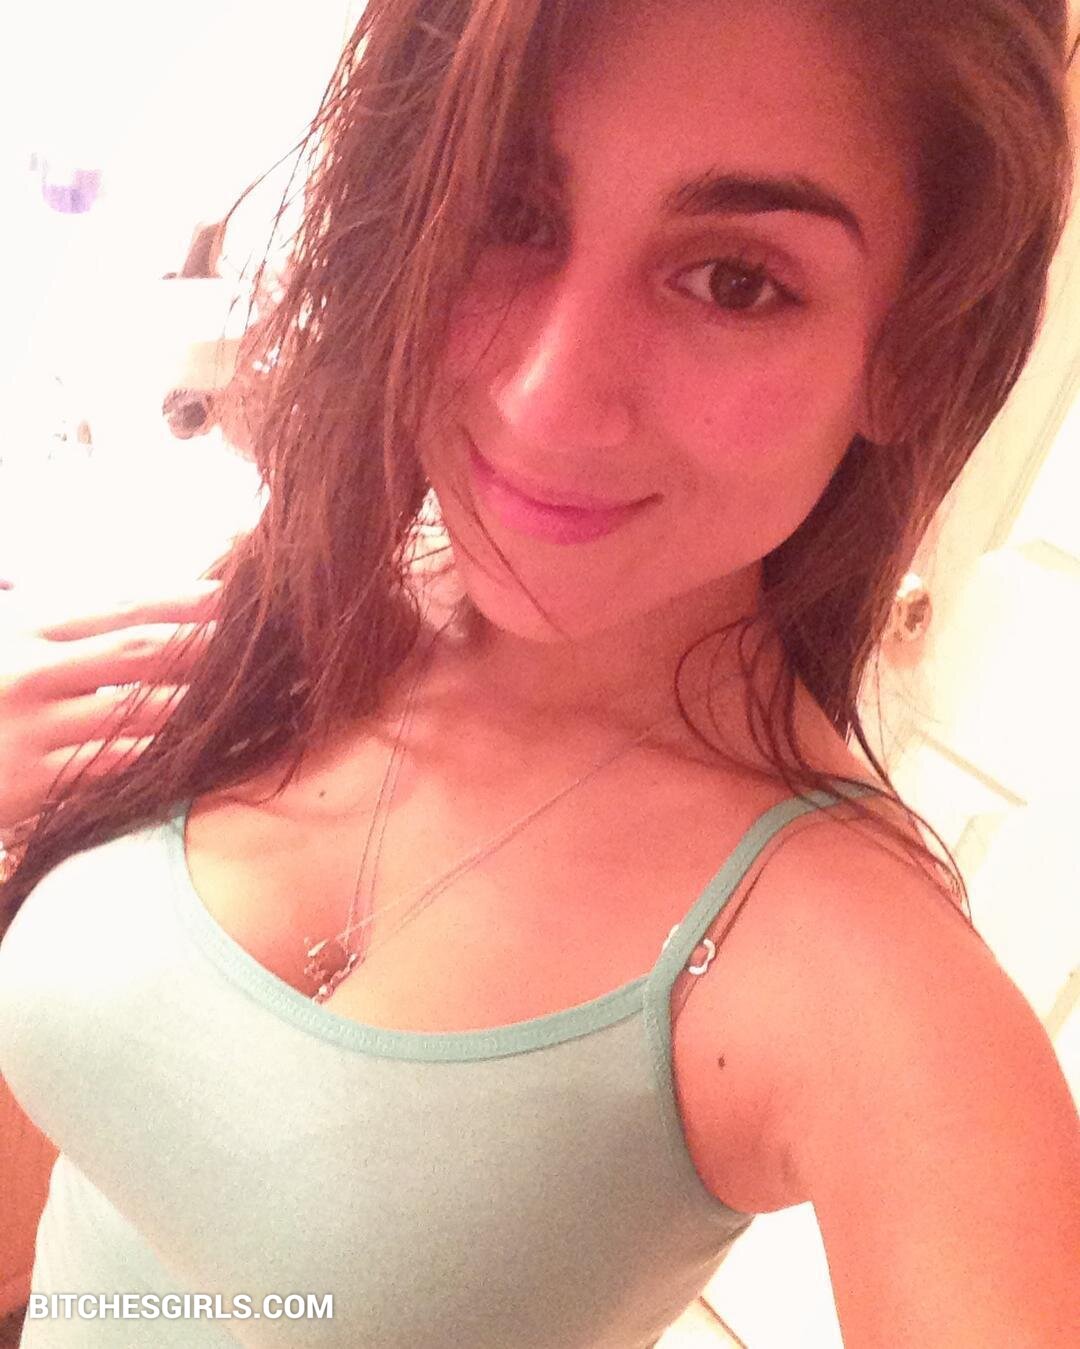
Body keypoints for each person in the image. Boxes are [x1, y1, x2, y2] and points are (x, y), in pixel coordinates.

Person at [1, 2, 1078, 1346]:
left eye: (736, 280)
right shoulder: (292, 605)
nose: (545, 398)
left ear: (912, 353)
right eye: (505, 210)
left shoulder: (874, 983)